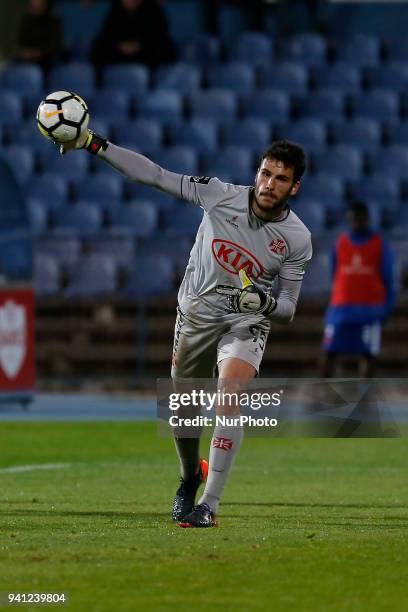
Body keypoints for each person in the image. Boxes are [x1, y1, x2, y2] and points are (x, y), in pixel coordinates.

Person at [57, 126, 312, 528]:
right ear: (257, 172)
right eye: (265, 173)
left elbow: (288, 310)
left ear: (294, 188)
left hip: (244, 321)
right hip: (195, 314)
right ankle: (191, 475)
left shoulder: (297, 239)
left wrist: (262, 303)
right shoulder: (219, 194)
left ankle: (208, 505)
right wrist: (93, 143)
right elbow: (155, 175)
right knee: (184, 413)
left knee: (229, 395)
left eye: (281, 179)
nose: (269, 184)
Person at [321, 202, 396, 379]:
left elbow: (389, 280)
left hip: (370, 311)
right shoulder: (340, 243)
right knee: (328, 353)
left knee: (368, 355)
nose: (357, 222)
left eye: (361, 219)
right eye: (353, 219)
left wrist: (387, 309)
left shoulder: (380, 245)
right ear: (348, 219)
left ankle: (365, 400)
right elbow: (335, 274)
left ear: (368, 220)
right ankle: (323, 396)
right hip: (341, 310)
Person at [91, 0, 175, 69]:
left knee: (161, 51)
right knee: (98, 50)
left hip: (146, 52)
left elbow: (159, 36)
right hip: (119, 52)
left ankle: (152, 85)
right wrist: (120, 45)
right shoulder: (115, 9)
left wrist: (139, 45)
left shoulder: (154, 9)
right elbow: (107, 34)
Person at [15, 0, 63, 71]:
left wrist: (33, 53)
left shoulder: (53, 22)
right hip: (24, 59)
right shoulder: (26, 20)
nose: (34, 3)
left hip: (46, 61)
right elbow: (21, 43)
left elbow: (53, 47)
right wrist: (23, 53)